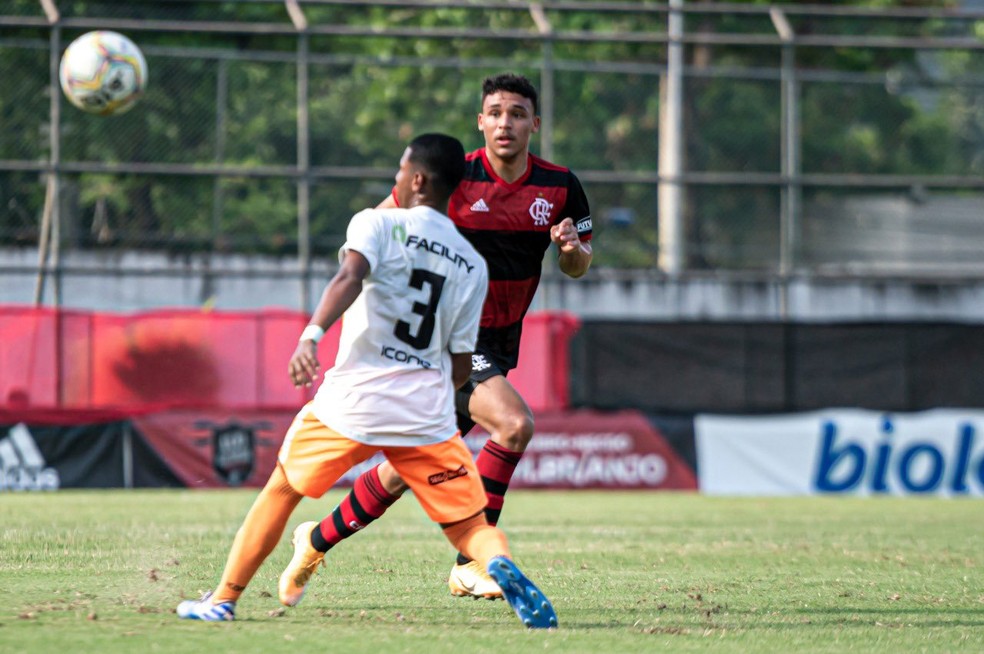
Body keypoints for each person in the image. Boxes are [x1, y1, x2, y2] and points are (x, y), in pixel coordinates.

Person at [176, 133, 558, 629]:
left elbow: (348, 277)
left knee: (283, 489)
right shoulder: (469, 263)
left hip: (353, 400)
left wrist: (311, 336)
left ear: (416, 179)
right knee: (468, 524)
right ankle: (495, 562)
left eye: (400, 169)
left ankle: (223, 599)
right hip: (424, 411)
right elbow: (462, 364)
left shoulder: (375, 222)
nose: (396, 178)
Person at [285, 72, 593, 602]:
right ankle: (471, 564)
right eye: (495, 112)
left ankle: (314, 539)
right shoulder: (457, 177)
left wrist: (569, 249)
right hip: (448, 341)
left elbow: (579, 267)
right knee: (515, 425)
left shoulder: (560, 187)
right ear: (481, 121)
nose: (505, 123)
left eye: (517, 113)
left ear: (534, 124)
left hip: (498, 343)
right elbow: (380, 223)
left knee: (404, 470)